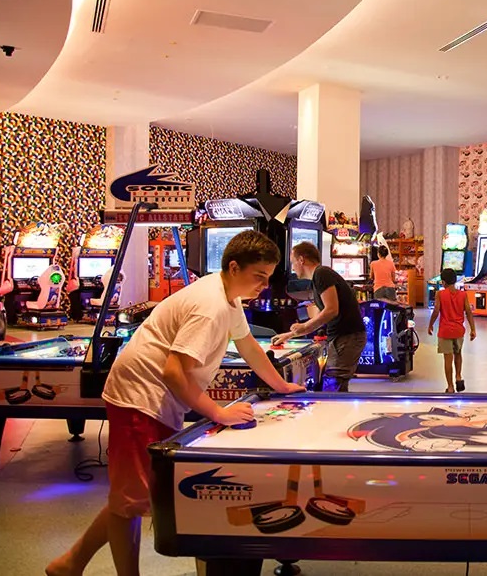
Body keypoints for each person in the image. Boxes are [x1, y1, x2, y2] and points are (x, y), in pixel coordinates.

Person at [47, 231, 305, 576]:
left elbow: (248, 346)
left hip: (157, 399)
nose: (264, 285)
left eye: (268, 277)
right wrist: (219, 412)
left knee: (132, 495)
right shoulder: (210, 306)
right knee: (131, 502)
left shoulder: (228, 296)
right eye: (259, 276)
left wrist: (281, 385)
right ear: (233, 267)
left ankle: (70, 563)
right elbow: (173, 372)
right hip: (139, 397)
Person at [272, 242, 366, 392]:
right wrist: (289, 335)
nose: (293, 268)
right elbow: (322, 317)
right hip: (344, 337)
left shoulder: (322, 274)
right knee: (333, 382)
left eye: (293, 262)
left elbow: (331, 310)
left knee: (333, 385)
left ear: (301, 260)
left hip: (347, 337)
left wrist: (304, 326)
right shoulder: (319, 276)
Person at [427, 268, 476, 393]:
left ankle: (450, 387)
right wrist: (473, 329)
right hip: (459, 331)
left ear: (443, 282)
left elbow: (436, 311)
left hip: (445, 331)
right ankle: (458, 376)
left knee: (448, 359)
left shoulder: (440, 294)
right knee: (458, 354)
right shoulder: (463, 295)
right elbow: (468, 312)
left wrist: (430, 324)